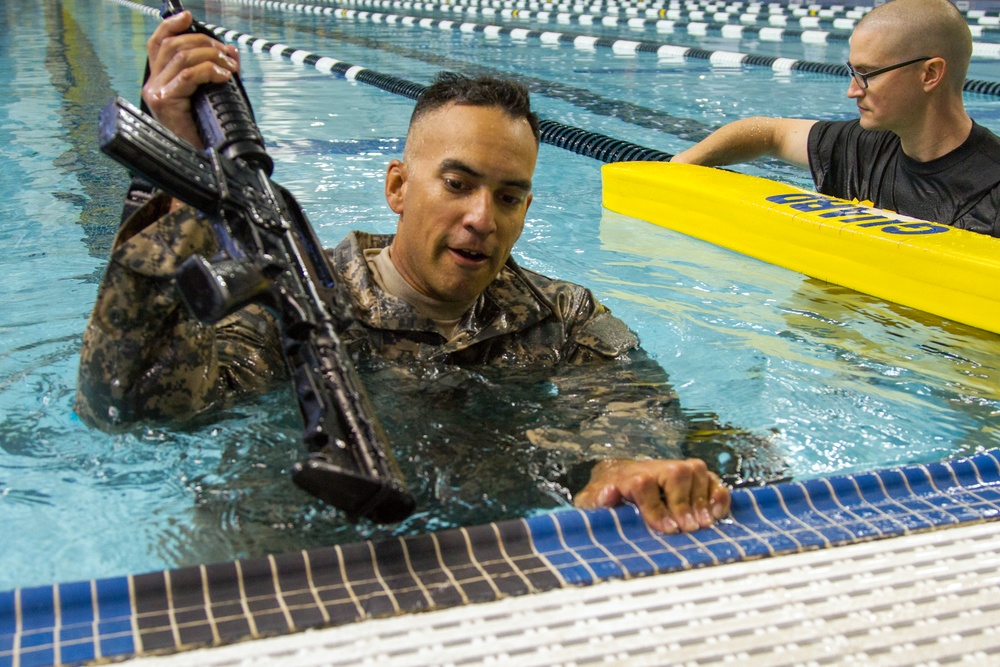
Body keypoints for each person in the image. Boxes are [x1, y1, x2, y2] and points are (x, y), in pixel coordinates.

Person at [75, 10, 751, 535]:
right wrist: (177, 183)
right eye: (457, 183)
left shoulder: (562, 313)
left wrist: (612, 461)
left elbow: (631, 396)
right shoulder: (297, 298)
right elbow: (131, 409)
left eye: (508, 196)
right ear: (398, 186)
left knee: (741, 457)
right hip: (300, 554)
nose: (483, 217)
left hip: (488, 555)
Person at [671, 0, 1000, 237]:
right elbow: (769, 133)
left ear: (930, 74)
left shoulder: (991, 190)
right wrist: (683, 164)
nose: (852, 91)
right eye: (852, 72)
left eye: (867, 74)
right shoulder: (861, 145)